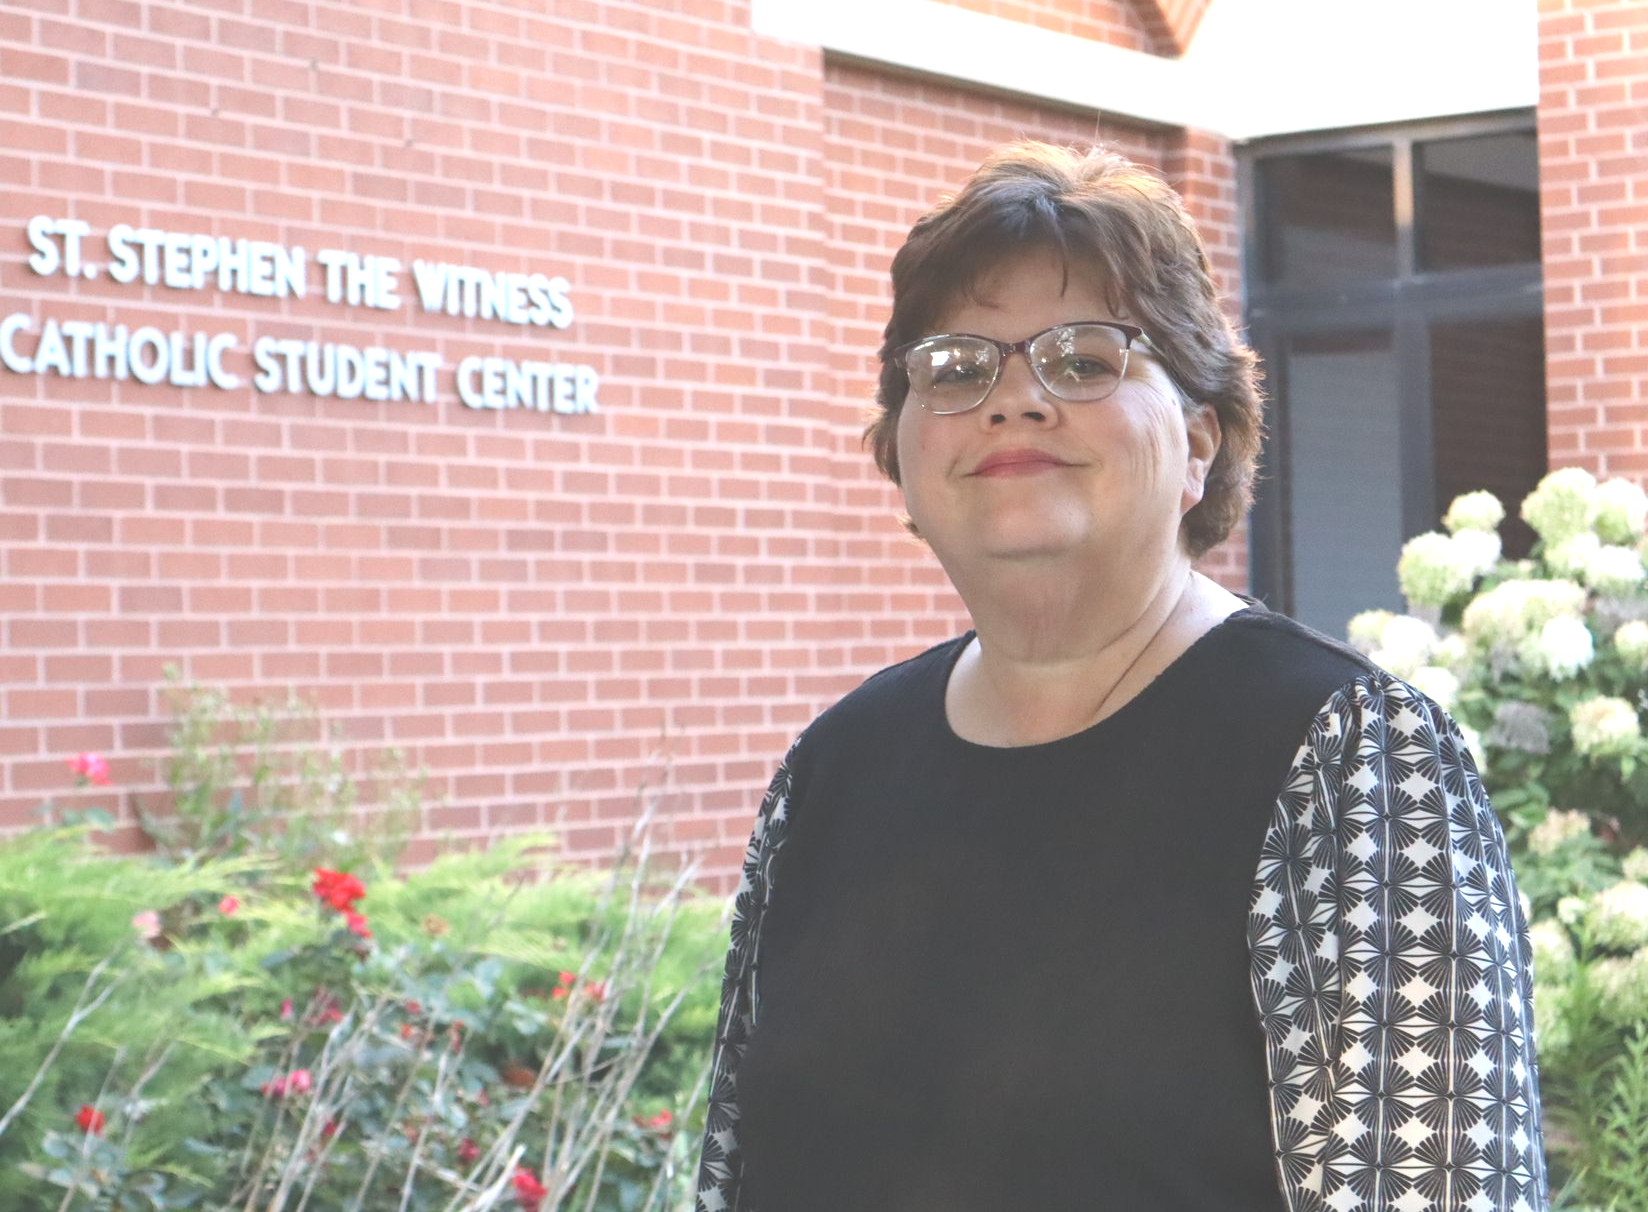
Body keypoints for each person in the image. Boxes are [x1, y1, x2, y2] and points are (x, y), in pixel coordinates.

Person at [692, 142, 1549, 1212]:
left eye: (1085, 359)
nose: (1012, 399)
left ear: (1199, 442)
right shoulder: (834, 767)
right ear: (901, 452)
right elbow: (734, 1173)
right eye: (953, 368)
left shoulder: (1348, 762)